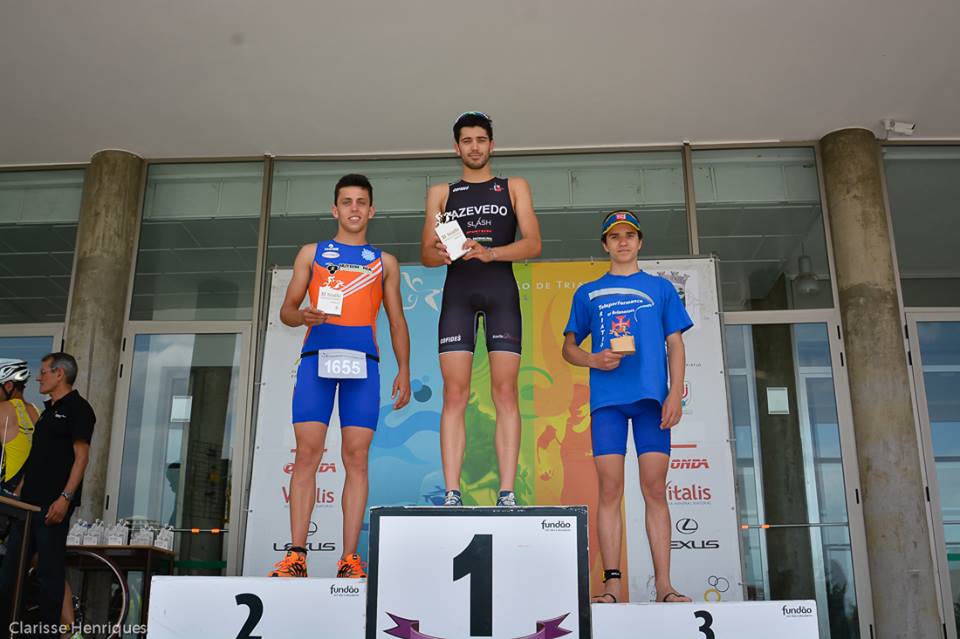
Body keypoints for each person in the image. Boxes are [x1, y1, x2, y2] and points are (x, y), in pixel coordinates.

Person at [269, 174, 411, 579]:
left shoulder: (384, 262)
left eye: (361, 202)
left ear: (372, 210)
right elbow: (286, 311)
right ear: (335, 209)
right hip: (317, 360)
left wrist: (404, 368)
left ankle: (349, 559)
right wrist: (303, 316)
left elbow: (396, 320)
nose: (354, 208)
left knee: (357, 458)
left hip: (363, 364)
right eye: (346, 201)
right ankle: (296, 556)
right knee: (307, 454)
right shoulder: (311, 253)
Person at [561, 211, 693, 604]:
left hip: (652, 400)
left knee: (654, 488)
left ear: (640, 242)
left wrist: (675, 393)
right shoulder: (588, 292)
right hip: (608, 402)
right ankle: (613, 585)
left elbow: (676, 345)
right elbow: (569, 347)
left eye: (629, 235)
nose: (622, 242)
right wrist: (593, 359)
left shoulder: (661, 288)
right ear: (605, 244)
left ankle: (664, 585)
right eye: (615, 236)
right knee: (609, 489)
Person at [420, 111, 542, 507]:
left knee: (505, 392)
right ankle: (452, 493)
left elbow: (533, 243)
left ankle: (507, 493)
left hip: (500, 293)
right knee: (454, 394)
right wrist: (441, 253)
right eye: (467, 141)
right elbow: (426, 254)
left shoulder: (514, 187)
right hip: (458, 295)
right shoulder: (441, 192)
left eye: (481, 140)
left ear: (492, 144)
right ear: (456, 148)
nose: (475, 147)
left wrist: (492, 253)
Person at [0, 353, 94, 638]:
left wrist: (65, 498)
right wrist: (16, 497)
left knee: (49, 574)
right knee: (11, 574)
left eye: (43, 372)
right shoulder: (47, 412)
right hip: (27, 508)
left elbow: (82, 457)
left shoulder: (79, 409)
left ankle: (53, 634)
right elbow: (35, 461)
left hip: (52, 506)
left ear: (59, 374)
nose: (38, 378)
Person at [0, 359, 38, 496]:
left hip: (4, 491)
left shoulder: (3, 408)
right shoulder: (36, 411)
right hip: (23, 491)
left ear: (8, 385)